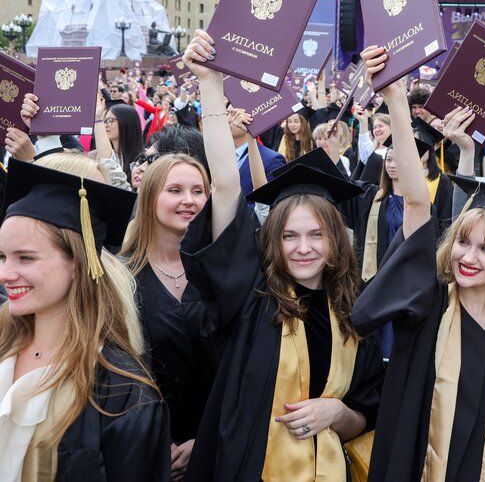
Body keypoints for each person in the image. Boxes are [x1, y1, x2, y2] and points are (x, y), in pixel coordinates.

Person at [179, 30, 383, 482]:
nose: (304, 247)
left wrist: (335, 411)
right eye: (290, 235)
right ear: (272, 240)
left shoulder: (354, 314)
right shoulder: (252, 297)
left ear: (336, 240)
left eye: (316, 235)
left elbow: (365, 415)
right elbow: (227, 186)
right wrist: (211, 86)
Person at [351, 44, 485, 481]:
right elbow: (418, 202)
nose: (469, 256)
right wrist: (396, 100)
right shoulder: (428, 303)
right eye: (463, 241)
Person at [0, 159, 171, 480]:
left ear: (78, 263)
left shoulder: (123, 396)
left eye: (26, 257)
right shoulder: (3, 346)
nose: (5, 274)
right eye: (2, 257)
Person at [120, 154, 216, 480]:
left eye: (198, 191)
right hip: (151, 449)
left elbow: (245, 368)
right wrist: (159, 442)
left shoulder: (224, 274)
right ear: (149, 198)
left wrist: (205, 440)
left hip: (221, 442)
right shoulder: (121, 277)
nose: (189, 200)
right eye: (174, 190)